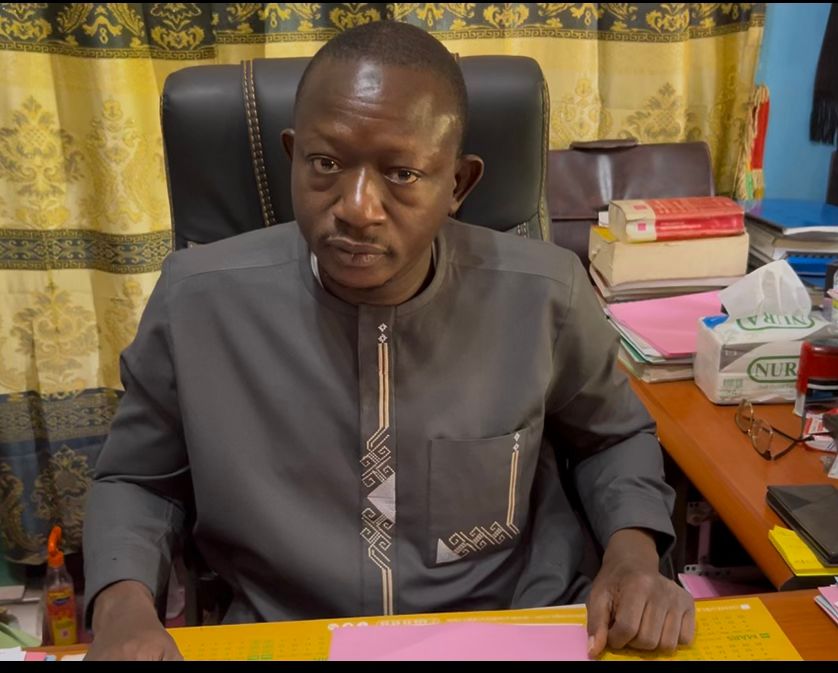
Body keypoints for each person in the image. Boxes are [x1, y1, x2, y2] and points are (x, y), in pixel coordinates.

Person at [83, 20, 694, 661]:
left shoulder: (545, 295)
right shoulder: (197, 303)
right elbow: (138, 479)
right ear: (292, 155)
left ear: (458, 184)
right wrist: (123, 611)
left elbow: (611, 439)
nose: (357, 207)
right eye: (325, 164)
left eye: (401, 174)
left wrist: (633, 557)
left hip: (512, 625)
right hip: (289, 632)